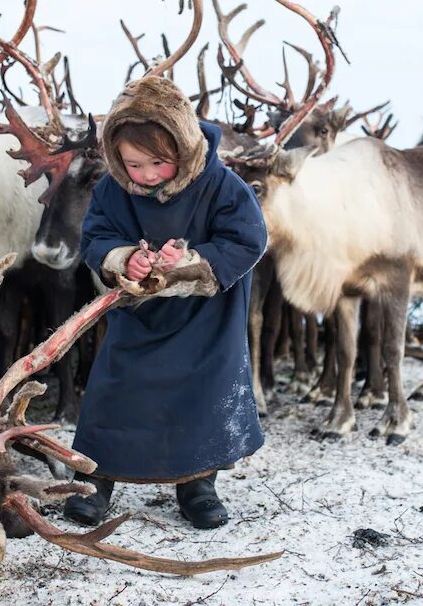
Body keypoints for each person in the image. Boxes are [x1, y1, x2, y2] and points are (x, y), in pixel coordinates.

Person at [63, 75, 268, 530]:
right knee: (114, 391)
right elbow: (96, 236)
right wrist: (125, 260)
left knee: (200, 397)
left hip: (205, 319)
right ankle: (94, 480)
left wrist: (189, 263)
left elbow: (249, 239)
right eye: (134, 165)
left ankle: (197, 484)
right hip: (139, 317)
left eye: (158, 162)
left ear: (184, 146)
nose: (147, 175)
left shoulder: (222, 185)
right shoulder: (113, 189)